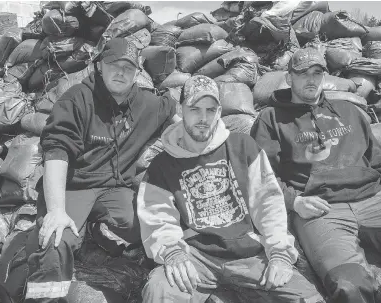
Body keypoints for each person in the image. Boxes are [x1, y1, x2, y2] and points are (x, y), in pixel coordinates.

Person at [137, 75, 324, 303]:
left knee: (307, 298)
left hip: (248, 254)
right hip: (196, 257)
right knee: (159, 290)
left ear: (219, 112)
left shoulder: (243, 147)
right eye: (195, 109)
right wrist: (172, 252)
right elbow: (157, 217)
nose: (203, 118)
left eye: (211, 110)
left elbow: (268, 203)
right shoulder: (162, 165)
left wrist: (279, 254)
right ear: (181, 108)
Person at [24, 37, 180, 302]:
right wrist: (56, 211)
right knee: (57, 241)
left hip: (115, 188)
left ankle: (96, 230)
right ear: (99, 66)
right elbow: (56, 150)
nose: (121, 72)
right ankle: (45, 297)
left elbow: (172, 111)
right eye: (114, 65)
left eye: (128, 68)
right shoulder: (77, 99)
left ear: (136, 73)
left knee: (142, 225)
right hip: (74, 185)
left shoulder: (146, 103)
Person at [250, 48, 381, 303]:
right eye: (303, 74)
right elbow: (261, 174)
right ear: (289, 78)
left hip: (374, 200)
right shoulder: (271, 118)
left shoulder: (350, 111)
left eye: (317, 73)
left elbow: (380, 161)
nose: (311, 79)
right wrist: (294, 201)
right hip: (320, 210)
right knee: (348, 285)